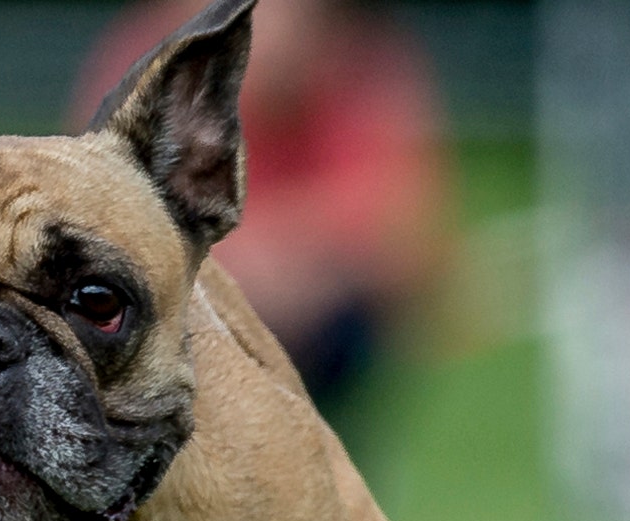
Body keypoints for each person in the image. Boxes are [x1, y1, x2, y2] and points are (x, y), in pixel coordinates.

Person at [72, 0, 451, 431]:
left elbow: (406, 242)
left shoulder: (364, 70)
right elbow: (102, 227)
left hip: (322, 331)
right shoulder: (152, 62)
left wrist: (289, 257)